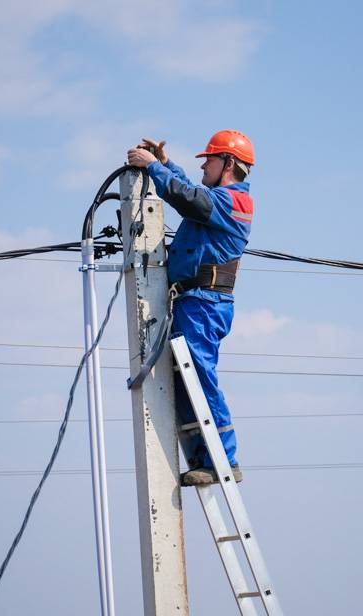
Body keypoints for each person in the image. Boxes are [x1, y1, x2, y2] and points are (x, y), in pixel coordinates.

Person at [126, 130, 255, 486]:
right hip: (191, 300)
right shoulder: (218, 198)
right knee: (182, 377)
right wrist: (166, 165)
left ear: (228, 163)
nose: (203, 167)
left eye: (209, 160)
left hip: (206, 302)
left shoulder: (236, 202)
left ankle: (225, 458)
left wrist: (154, 168)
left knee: (198, 371)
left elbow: (190, 199)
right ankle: (203, 456)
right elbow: (194, 193)